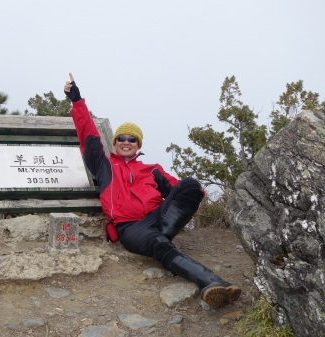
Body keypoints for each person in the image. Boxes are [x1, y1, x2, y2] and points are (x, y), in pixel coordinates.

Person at [64, 73, 241, 308]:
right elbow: (88, 134)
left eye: (132, 139)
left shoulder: (152, 169)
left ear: (139, 144)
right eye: (121, 138)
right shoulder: (104, 166)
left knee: (189, 183)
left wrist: (189, 191)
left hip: (160, 217)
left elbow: (182, 190)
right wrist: (77, 101)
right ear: (115, 142)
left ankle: (163, 235)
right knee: (160, 245)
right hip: (131, 228)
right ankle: (211, 282)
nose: (126, 142)